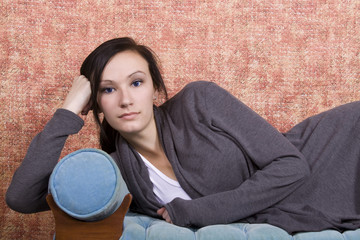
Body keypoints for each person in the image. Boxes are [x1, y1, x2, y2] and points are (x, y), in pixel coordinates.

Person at [6, 37, 360, 234]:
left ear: (154, 88)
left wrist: (195, 211)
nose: (126, 99)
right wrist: (67, 112)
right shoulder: (117, 173)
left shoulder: (198, 100)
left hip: (333, 151)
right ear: (95, 104)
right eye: (108, 90)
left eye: (136, 82)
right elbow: (22, 199)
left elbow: (291, 164)